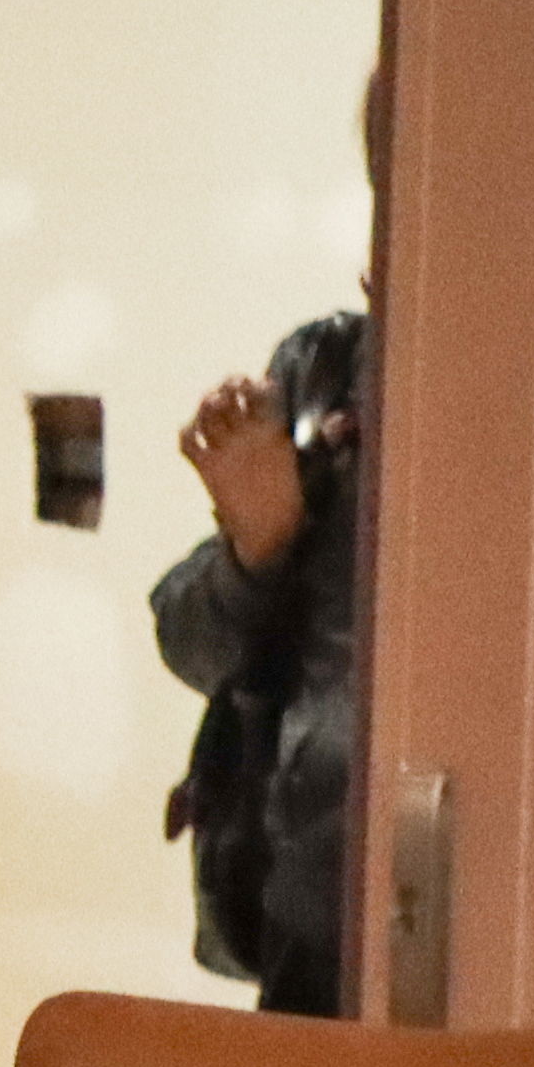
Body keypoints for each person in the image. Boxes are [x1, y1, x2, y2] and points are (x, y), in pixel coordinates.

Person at [153, 137, 369, 1016]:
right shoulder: (325, 376)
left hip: (466, 921)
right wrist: (259, 545)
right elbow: (189, 644)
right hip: (306, 936)